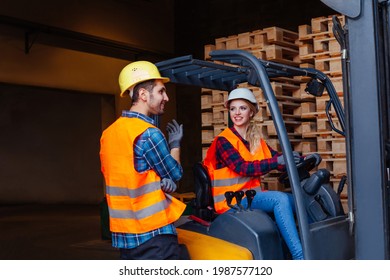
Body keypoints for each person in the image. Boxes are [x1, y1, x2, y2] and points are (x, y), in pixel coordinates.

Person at [203, 87, 313, 260]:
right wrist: (277, 162)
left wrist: (302, 159)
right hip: (232, 200)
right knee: (280, 199)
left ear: (252, 112)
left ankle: (311, 248)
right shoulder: (224, 141)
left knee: (300, 200)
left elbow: (278, 159)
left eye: (242, 108)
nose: (237, 113)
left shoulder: (255, 140)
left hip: (251, 196)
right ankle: (301, 257)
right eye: (233, 109)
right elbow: (243, 167)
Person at [99, 61, 188, 260]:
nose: (166, 97)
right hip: (154, 234)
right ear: (143, 95)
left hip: (125, 236)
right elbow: (176, 174)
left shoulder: (108, 134)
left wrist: (157, 182)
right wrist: (175, 145)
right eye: (161, 91)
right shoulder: (148, 133)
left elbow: (127, 175)